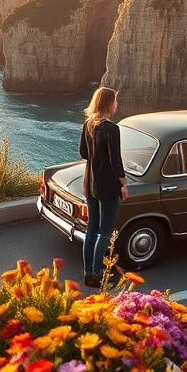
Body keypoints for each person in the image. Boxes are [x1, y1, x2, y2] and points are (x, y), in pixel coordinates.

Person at [78, 86, 128, 287]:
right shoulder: (111, 129)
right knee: (105, 231)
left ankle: (88, 273)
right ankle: (98, 273)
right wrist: (123, 183)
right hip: (107, 185)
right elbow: (115, 159)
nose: (116, 104)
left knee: (91, 229)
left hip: (90, 183)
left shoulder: (89, 123)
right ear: (108, 103)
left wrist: (96, 159)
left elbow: (83, 153)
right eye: (115, 100)